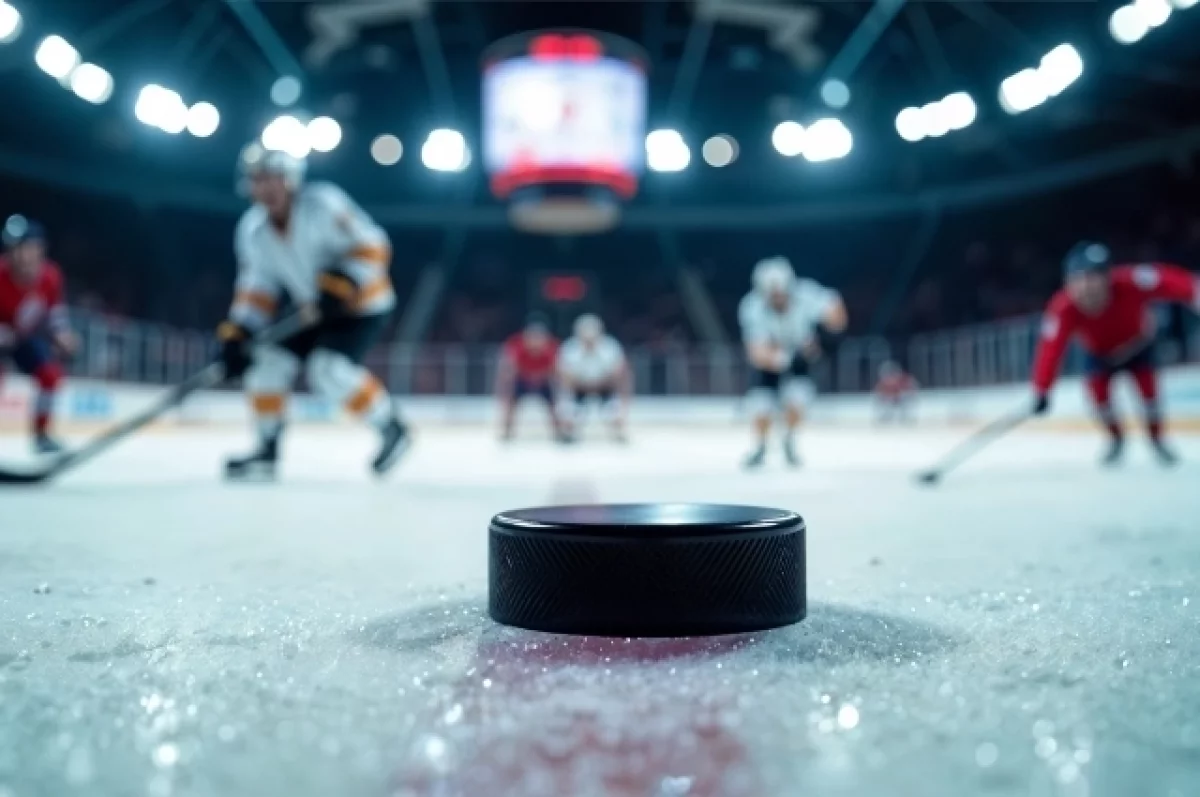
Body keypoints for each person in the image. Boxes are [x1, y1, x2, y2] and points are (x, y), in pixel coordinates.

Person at [218, 144, 410, 480]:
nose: (266, 187)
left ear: (290, 179)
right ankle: (267, 448)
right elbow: (257, 288)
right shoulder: (252, 231)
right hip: (314, 308)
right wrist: (240, 330)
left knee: (328, 369)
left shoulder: (323, 203)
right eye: (258, 179)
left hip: (363, 304)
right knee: (265, 360)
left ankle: (391, 426)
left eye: (273, 177)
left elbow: (373, 244)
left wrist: (346, 279)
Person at [1031, 241, 1198, 465]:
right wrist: (1042, 389)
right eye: (1079, 279)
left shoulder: (1130, 281)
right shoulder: (1062, 308)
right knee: (1099, 400)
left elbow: (1165, 279)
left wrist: (1193, 292)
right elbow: (1051, 348)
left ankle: (1157, 439)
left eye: (1094, 278)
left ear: (1108, 278)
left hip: (1137, 347)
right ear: (1067, 283)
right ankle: (1116, 438)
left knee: (1150, 399)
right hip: (1099, 355)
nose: (1087, 287)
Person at [738, 256, 848, 468]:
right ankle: (760, 445)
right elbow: (756, 353)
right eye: (772, 294)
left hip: (801, 356)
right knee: (761, 403)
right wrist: (784, 358)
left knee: (798, 398)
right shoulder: (751, 306)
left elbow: (837, 316)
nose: (778, 298)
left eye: (781, 292)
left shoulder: (807, 294)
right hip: (772, 359)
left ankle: (789, 438)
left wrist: (822, 337)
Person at [0, 216, 76, 454]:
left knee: (50, 374)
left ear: (39, 249)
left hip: (22, 338)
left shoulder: (51, 277)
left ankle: (42, 436)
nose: (18, 256)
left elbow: (55, 314)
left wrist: (64, 336)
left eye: (24, 247)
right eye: (13, 249)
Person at [557, 314, 632, 442]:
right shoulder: (570, 348)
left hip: (605, 388)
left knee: (615, 412)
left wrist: (621, 395)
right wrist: (569, 394)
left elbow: (619, 373)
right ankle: (569, 432)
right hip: (578, 388)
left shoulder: (610, 347)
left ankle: (618, 432)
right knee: (567, 411)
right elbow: (564, 375)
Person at [495, 314, 569, 442]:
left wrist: (561, 391)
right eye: (532, 338)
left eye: (539, 338)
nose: (535, 342)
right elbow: (508, 369)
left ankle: (559, 431)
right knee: (511, 403)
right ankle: (507, 431)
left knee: (553, 405)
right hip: (522, 379)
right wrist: (504, 391)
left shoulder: (551, 347)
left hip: (543, 380)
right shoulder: (516, 345)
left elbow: (557, 370)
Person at [874, 360, 917, 424]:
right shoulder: (883, 384)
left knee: (903, 403)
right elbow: (879, 394)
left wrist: (907, 396)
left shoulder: (903, 380)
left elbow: (911, 388)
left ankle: (904, 417)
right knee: (887, 405)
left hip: (901, 398)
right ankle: (887, 416)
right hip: (891, 398)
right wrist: (884, 399)